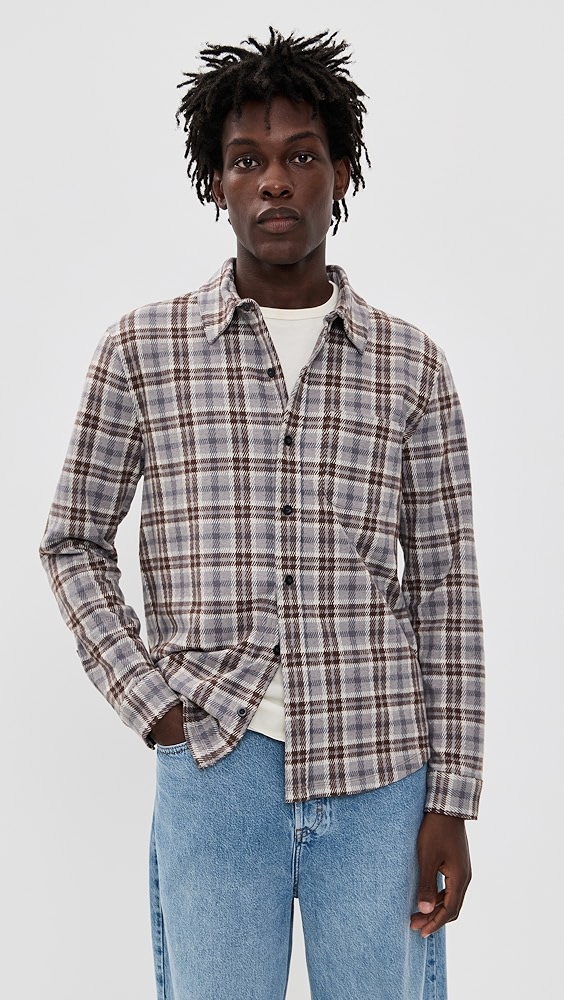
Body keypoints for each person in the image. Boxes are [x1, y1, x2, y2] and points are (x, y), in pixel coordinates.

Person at [40, 27, 485, 1000]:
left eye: (301, 157)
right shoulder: (143, 352)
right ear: (216, 182)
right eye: (247, 161)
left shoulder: (411, 367)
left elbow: (447, 590)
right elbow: (73, 539)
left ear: (342, 173)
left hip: (380, 774)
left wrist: (450, 800)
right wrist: (152, 702)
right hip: (214, 768)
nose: (274, 182)